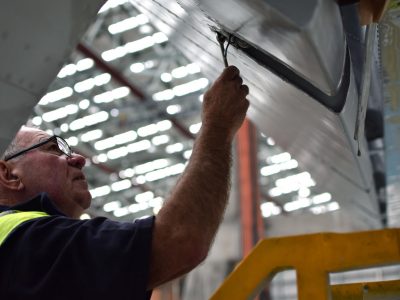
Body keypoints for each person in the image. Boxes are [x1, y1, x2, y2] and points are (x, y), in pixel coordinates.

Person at [0, 65, 249, 299]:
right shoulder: (25, 239)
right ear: (9, 175)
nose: (77, 158)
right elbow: (179, 240)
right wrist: (217, 126)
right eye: (54, 150)